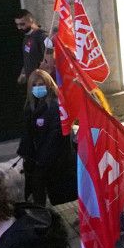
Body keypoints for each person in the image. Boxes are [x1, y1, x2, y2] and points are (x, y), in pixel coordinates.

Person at [16, 70, 76, 207]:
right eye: (35, 85)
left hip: (57, 161)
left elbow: (54, 137)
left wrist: (40, 163)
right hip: (41, 160)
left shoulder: (55, 106)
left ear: (48, 85)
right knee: (37, 189)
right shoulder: (30, 107)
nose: (38, 88)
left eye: (41, 84)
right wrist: (26, 155)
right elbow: (27, 134)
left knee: (60, 195)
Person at [14, 9, 47, 86]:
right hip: (32, 82)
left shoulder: (41, 37)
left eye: (22, 24)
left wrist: (41, 78)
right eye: (17, 25)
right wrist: (23, 73)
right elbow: (28, 58)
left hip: (41, 82)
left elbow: (48, 60)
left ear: (31, 20)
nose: (19, 28)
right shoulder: (27, 37)